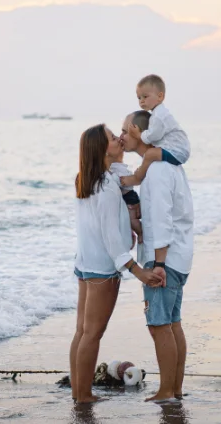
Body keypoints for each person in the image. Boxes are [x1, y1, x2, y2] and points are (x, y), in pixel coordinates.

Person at [70, 124, 164, 404]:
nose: (119, 139)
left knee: (82, 332)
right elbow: (111, 237)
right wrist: (138, 271)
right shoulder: (107, 188)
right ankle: (84, 396)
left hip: (86, 262)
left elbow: (124, 177)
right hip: (103, 267)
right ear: (102, 149)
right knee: (92, 334)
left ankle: (79, 393)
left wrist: (119, 158)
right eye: (113, 138)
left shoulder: (91, 179)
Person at [121, 111, 194, 402]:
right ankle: (174, 389)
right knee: (172, 323)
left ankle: (166, 391)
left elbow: (163, 218)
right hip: (177, 255)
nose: (121, 136)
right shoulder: (161, 166)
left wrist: (159, 263)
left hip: (165, 259)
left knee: (159, 325)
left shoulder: (158, 169)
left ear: (137, 130)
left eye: (124, 130)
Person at [120, 74, 191, 187]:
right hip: (177, 150)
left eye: (145, 96)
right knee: (151, 154)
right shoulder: (158, 114)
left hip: (176, 151)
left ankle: (137, 178)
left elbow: (153, 136)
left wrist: (139, 135)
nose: (142, 101)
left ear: (160, 96)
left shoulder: (159, 116)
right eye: (139, 98)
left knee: (150, 154)